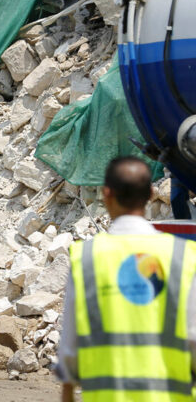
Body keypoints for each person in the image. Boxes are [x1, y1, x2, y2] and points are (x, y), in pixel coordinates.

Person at [57, 156, 196, 402]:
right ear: (152, 194)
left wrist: (67, 392)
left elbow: (70, 349)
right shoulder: (182, 256)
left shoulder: (87, 257)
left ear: (107, 194)